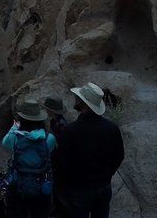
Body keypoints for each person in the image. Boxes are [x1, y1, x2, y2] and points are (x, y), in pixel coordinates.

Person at [56, 82, 124, 218]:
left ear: (82, 103)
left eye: (78, 98)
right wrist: (107, 174)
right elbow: (119, 156)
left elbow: (63, 164)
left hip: (79, 189)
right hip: (103, 187)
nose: (75, 100)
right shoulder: (112, 128)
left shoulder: (70, 131)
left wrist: (68, 184)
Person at [2, 98, 57, 218]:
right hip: (41, 186)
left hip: (18, 186)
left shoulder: (15, 138)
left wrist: (14, 127)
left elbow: (4, 143)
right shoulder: (49, 139)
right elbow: (50, 151)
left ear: (22, 119)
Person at [43, 97, 68, 217]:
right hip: (56, 157)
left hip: (59, 159)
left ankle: (61, 211)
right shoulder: (56, 122)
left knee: (59, 186)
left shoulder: (60, 125)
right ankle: (58, 209)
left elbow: (61, 145)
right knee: (56, 185)